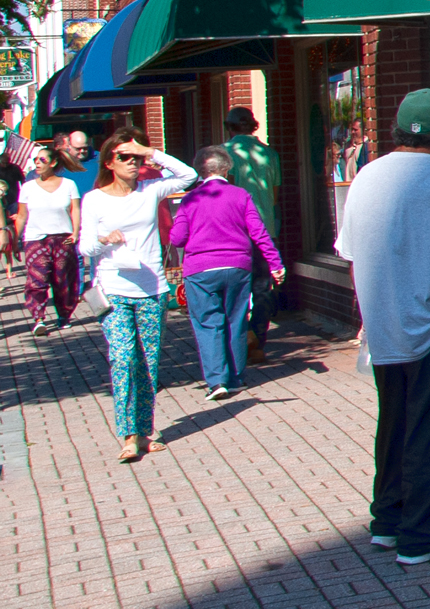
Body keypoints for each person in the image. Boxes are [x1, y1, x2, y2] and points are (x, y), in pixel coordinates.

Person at [339, 90, 430, 566]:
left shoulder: (365, 176)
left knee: (395, 425)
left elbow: (350, 252)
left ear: (397, 127)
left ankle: (388, 521)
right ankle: (422, 537)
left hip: (384, 324)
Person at [78, 127, 200, 462]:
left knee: (147, 363)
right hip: (113, 290)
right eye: (125, 157)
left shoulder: (150, 190)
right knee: (123, 357)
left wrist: (150, 152)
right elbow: (84, 247)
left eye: (135, 157)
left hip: (152, 290)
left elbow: (188, 176)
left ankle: (144, 431)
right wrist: (105, 239)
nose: (132, 163)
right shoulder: (95, 199)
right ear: (109, 162)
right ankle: (127, 434)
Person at [167, 145, 287, 401]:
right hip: (237, 266)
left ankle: (216, 381)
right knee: (236, 320)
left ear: (200, 170)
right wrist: (275, 264)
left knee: (208, 323)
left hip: (200, 269)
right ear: (228, 168)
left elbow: (177, 238)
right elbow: (259, 232)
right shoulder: (240, 195)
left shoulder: (191, 199)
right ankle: (235, 378)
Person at [223, 107, 283, 363]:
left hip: (236, 232)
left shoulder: (225, 154)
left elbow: (226, 193)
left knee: (235, 290)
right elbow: (275, 194)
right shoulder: (269, 153)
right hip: (265, 229)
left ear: (230, 128)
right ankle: (258, 340)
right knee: (262, 289)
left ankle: (241, 338)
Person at [20, 146, 81, 333]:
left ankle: (64, 315)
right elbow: (22, 215)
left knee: (63, 280)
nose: (37, 163)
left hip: (63, 239)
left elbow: (75, 209)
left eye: (42, 160)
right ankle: (39, 318)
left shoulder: (69, 184)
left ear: (53, 163)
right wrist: (16, 238)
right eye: (36, 160)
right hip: (35, 239)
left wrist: (76, 232)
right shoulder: (28, 187)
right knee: (37, 280)